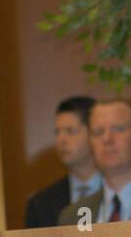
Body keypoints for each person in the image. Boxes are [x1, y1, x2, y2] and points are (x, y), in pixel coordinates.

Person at [24, 95, 100, 229]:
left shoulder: (117, 191)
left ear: (94, 133)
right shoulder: (41, 204)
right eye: (57, 132)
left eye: (70, 131)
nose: (61, 140)